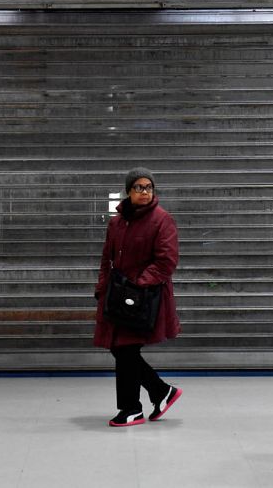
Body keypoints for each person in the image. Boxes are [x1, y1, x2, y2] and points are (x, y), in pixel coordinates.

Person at [93, 167, 183, 427]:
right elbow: (105, 259)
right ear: (128, 191)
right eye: (138, 187)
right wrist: (102, 288)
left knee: (125, 349)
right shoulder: (117, 222)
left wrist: (138, 285)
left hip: (145, 297)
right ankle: (159, 392)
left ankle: (133, 407)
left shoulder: (161, 219)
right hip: (117, 295)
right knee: (120, 348)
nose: (144, 192)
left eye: (148, 187)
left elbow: (167, 261)